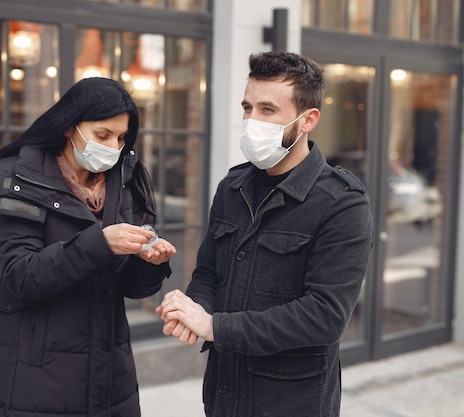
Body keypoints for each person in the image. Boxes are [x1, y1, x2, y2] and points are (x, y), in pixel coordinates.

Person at [156, 51, 373, 417]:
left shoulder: (342, 203)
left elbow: (324, 316)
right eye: (247, 107)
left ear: (309, 120)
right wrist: (196, 307)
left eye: (267, 110)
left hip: (291, 403)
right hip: (224, 394)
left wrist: (214, 326)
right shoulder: (232, 186)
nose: (251, 120)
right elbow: (210, 271)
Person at [0, 77, 176, 417]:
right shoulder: (20, 182)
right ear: (70, 127)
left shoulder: (122, 181)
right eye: (102, 135)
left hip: (108, 374)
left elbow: (128, 286)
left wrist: (147, 261)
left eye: (122, 138)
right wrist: (102, 242)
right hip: (31, 372)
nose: (113, 146)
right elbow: (21, 276)